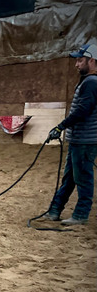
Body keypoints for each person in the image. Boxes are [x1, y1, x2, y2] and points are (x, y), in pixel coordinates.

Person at [45, 42, 97, 225]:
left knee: (82, 178)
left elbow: (82, 110)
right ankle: (54, 210)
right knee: (69, 178)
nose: (76, 64)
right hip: (79, 140)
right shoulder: (87, 82)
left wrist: (60, 126)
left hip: (85, 140)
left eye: (80, 60)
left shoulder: (91, 83)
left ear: (92, 61)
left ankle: (81, 215)